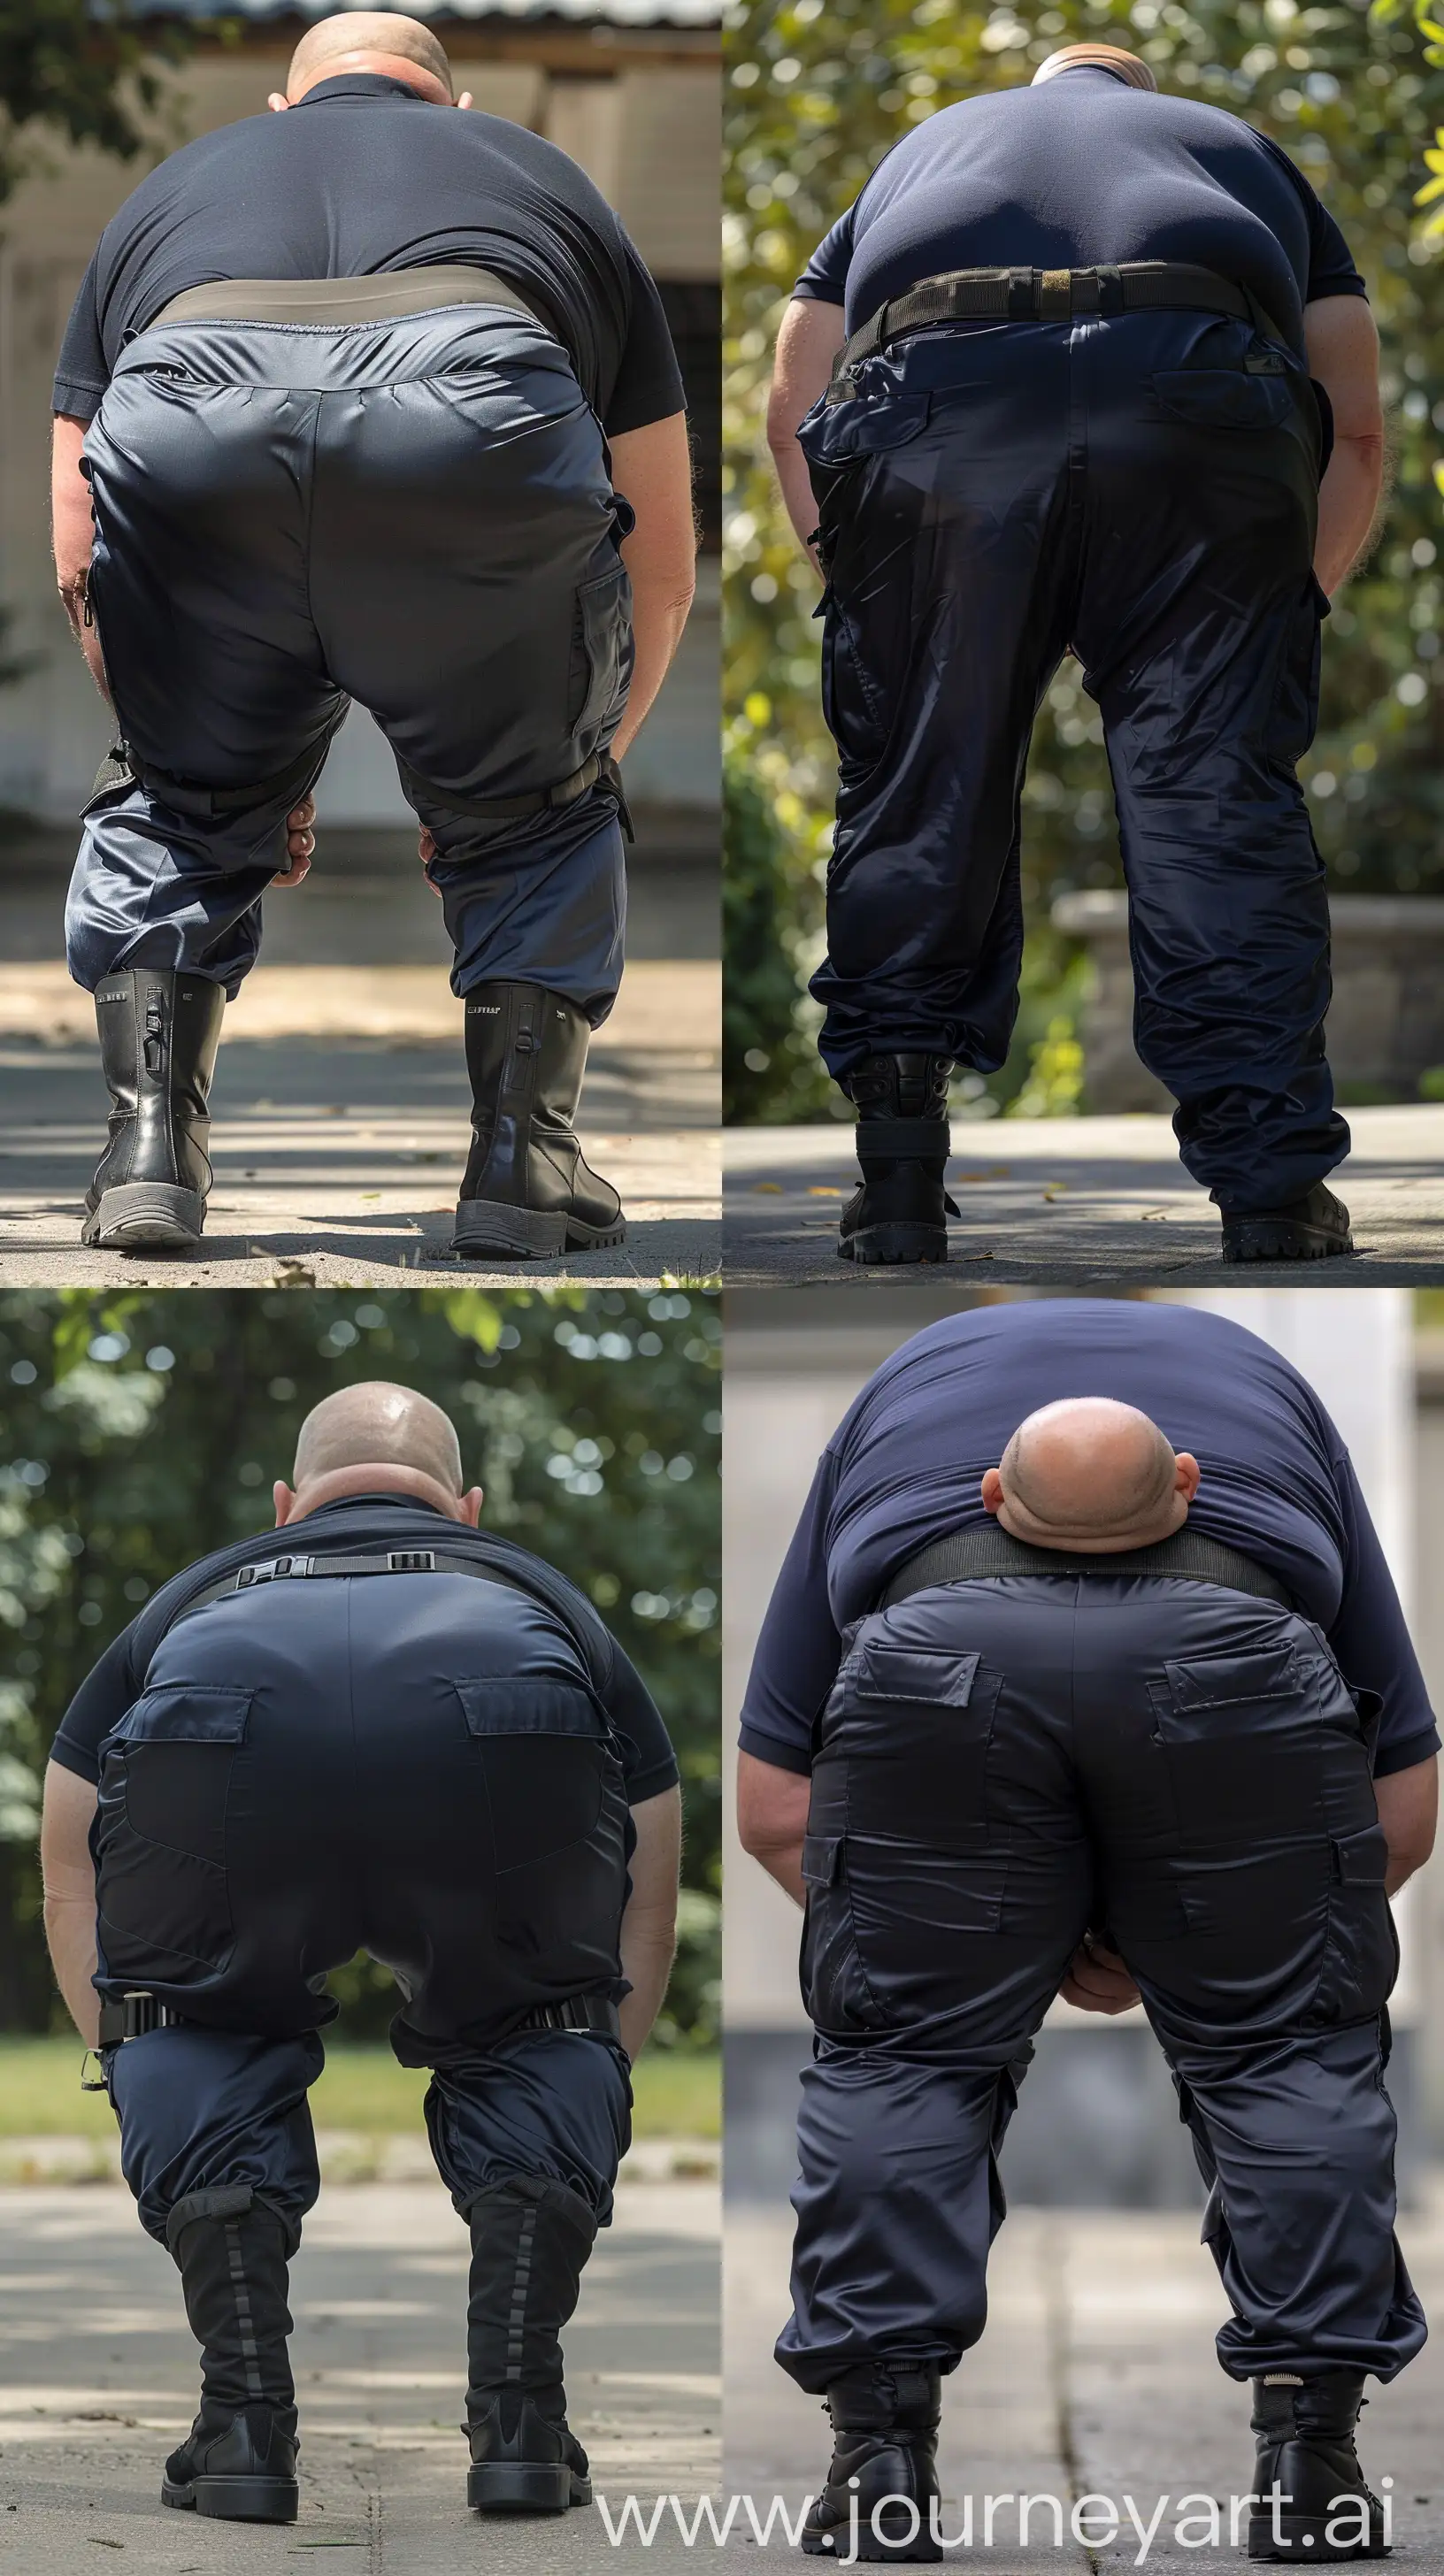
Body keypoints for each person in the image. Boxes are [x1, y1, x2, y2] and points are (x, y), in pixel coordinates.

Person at [736, 1301, 1438, 2563]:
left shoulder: (906, 1385)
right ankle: (1311, 2462)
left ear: (989, 1486)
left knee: (905, 2060)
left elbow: (774, 1803)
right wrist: (1210, 1949)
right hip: (1240, 1670)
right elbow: (1402, 1800)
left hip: (936, 1668)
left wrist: (979, 1951)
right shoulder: (1260, 1381)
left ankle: (878, 2461)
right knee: (1289, 2055)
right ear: (1190, 1479)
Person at [51, 11, 697, 1261]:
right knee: (537, 810)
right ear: (451, 110)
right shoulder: (543, 175)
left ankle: (149, 1152)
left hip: (193, 417)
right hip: (470, 415)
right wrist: (565, 763)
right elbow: (662, 561)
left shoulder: (171, 187)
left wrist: (206, 761)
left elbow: (82, 549)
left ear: (285, 111)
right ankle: (519, 1157)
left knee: (173, 806)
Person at [766, 44, 1385, 1269]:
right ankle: (1270, 1193)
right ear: (1149, 95)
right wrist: (1280, 605)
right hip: (1197, 399)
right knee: (1215, 803)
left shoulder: (922, 147)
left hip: (940, 399)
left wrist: (867, 599)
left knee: (919, 790)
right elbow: (1354, 419)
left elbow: (794, 395)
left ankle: (897, 1179)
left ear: (1034, 95)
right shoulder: (1240, 148)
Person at [39, 1381, 682, 2526]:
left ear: (289, 1503)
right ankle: (522, 2423)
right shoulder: (538, 1589)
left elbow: (69, 1848)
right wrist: (592, 2058)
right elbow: (652, 1865)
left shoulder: (197, 1591)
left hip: (228, 1723)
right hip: (495, 1717)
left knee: (192, 2026)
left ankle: (243, 2430)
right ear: (466, 1507)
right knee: (545, 2025)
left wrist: (141, 2055)